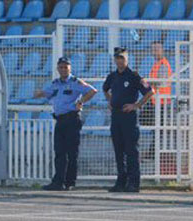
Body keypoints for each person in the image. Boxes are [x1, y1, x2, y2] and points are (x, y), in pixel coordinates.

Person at [34, 57, 97, 191]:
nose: (63, 69)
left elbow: (92, 91)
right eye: (61, 67)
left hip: (72, 119)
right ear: (57, 68)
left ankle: (69, 182)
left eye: (65, 67)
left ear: (70, 68)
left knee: (72, 152)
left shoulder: (75, 82)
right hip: (60, 120)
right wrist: (40, 93)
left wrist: (81, 102)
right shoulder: (56, 83)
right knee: (59, 152)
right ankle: (58, 182)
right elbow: (47, 93)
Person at [103, 47, 154, 192]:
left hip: (129, 117)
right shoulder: (112, 76)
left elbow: (150, 91)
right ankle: (121, 182)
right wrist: (110, 101)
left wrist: (136, 105)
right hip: (116, 116)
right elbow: (105, 89)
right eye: (117, 58)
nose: (120, 61)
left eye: (122, 58)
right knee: (118, 150)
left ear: (127, 59)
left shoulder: (134, 76)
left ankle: (133, 183)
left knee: (131, 151)